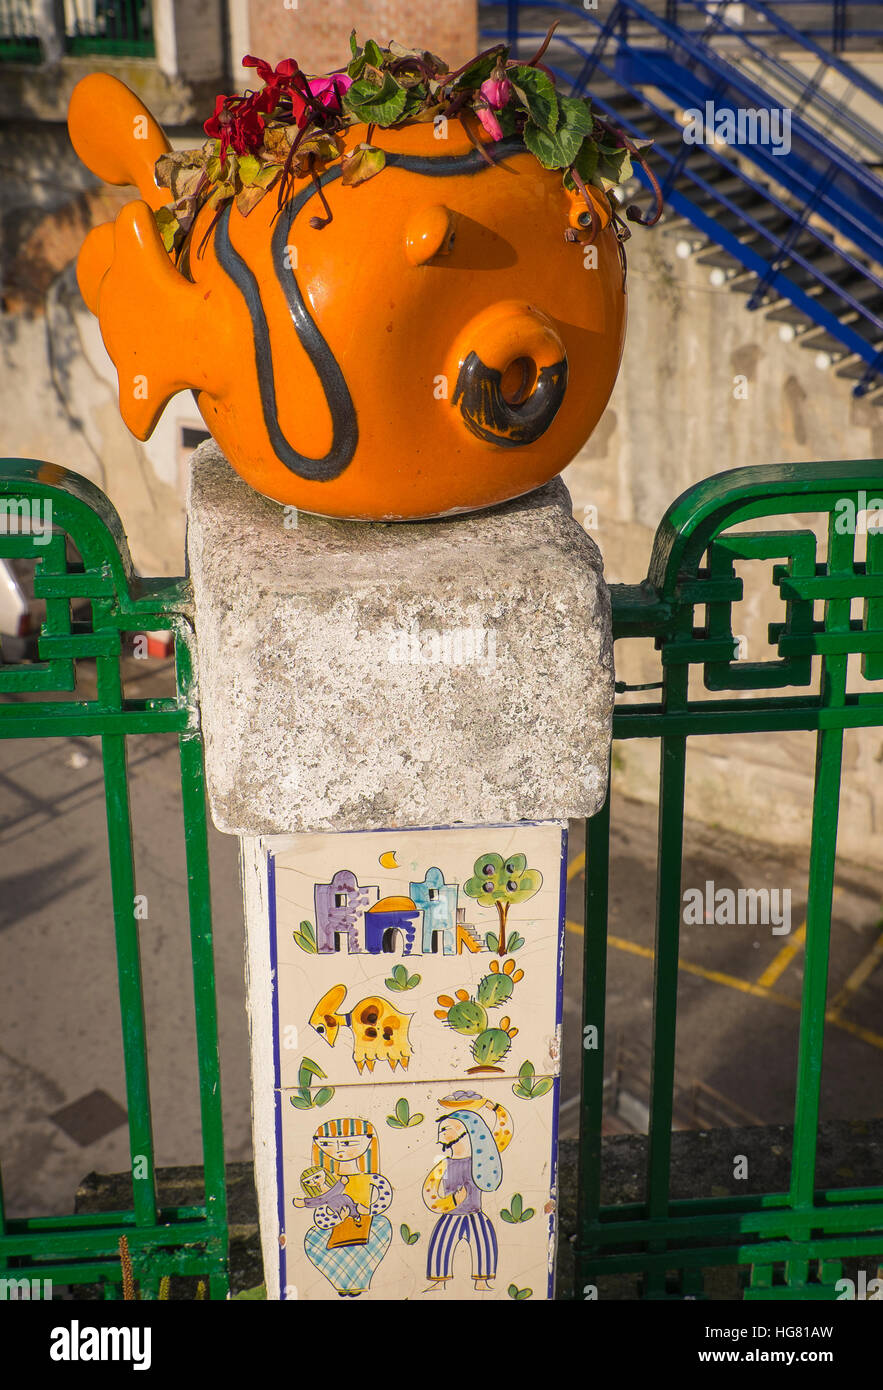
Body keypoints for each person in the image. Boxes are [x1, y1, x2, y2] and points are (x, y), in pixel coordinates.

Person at [293, 1117, 392, 1297]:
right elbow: (320, 1210)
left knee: (382, 1226)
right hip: (337, 1227)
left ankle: (358, 1285)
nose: (338, 1150)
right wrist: (337, 1218)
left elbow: (384, 1196)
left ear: (369, 1140)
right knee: (314, 1238)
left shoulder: (368, 1177)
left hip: (364, 1223)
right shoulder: (329, 1181)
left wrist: (367, 1210)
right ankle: (345, 1285)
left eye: (348, 1143)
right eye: (327, 1144)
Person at [422, 1097, 509, 1292]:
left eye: (446, 1128)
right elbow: (430, 1195)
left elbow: (503, 1133)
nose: (441, 1132)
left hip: (474, 1212)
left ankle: (482, 1281)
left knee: (484, 1243)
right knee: (439, 1245)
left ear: (465, 1131)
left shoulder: (482, 1159)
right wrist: (452, 1200)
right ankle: (439, 1281)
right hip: (450, 1215)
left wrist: (495, 1107)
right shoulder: (443, 1165)